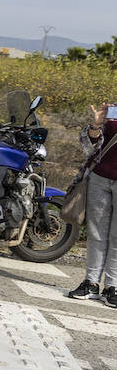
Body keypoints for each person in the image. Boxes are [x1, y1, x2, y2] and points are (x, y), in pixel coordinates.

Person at [67, 104, 117, 306]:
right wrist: (96, 124)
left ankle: (113, 286)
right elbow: (89, 148)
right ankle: (91, 282)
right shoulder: (112, 112)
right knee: (96, 233)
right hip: (100, 178)